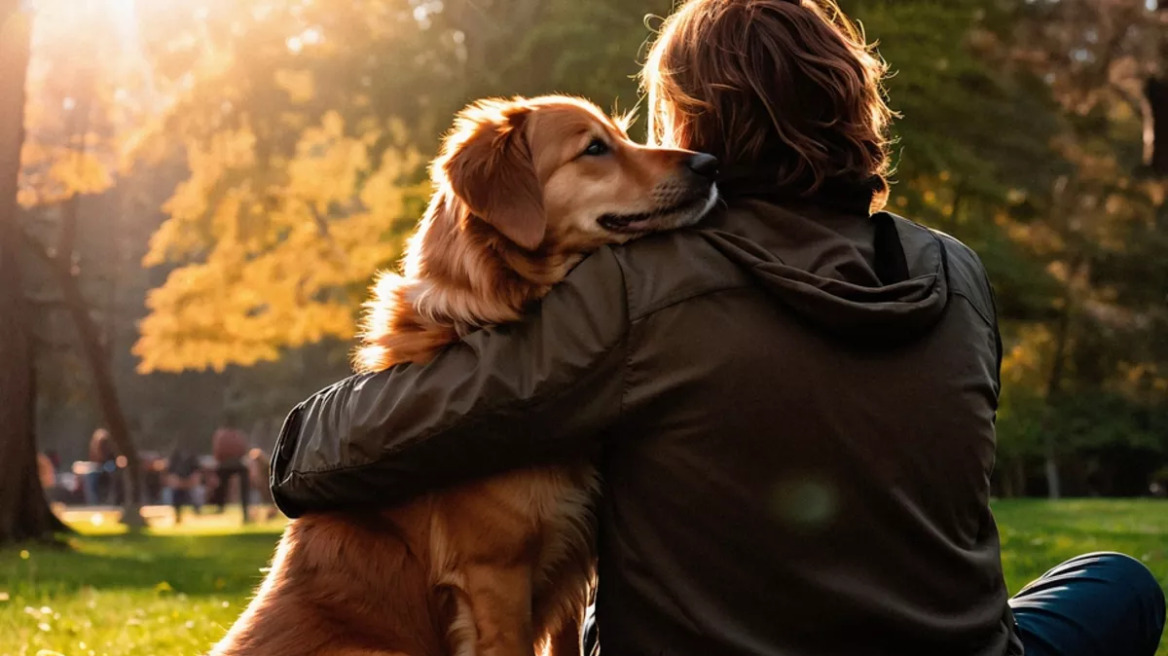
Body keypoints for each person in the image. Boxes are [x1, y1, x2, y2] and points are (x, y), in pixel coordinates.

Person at [268, 1, 1166, 655]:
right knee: (1119, 584)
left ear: (693, 122)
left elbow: (348, 447)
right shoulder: (956, 274)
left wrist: (317, 427)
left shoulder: (641, 284)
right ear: (852, 105)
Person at [211, 425, 250, 523]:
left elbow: (217, 451)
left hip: (227, 463)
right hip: (232, 463)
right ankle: (243, 507)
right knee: (222, 483)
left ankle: (221, 505)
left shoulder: (222, 435)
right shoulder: (238, 435)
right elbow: (243, 450)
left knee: (222, 482)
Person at [165, 446, 202, 524]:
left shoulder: (193, 460)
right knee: (171, 492)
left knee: (197, 491)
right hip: (178, 485)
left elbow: (196, 476)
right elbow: (171, 477)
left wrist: (187, 484)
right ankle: (177, 515)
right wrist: (179, 484)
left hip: (190, 484)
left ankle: (197, 512)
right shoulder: (174, 460)